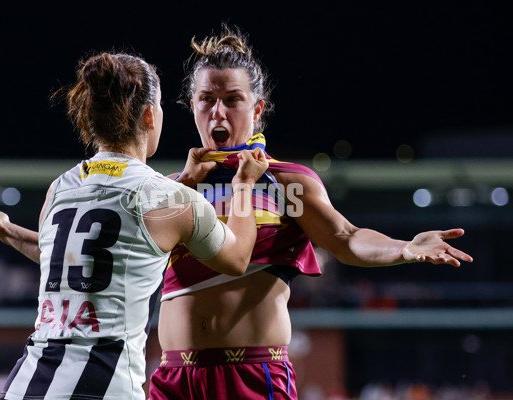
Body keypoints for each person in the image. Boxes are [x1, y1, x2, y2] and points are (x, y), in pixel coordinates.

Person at [146, 24, 474, 400]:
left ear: (257, 109)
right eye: (207, 99)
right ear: (192, 107)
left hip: (252, 376)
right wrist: (183, 185)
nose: (218, 111)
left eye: (232, 99)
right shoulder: (171, 188)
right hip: (174, 377)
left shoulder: (285, 182)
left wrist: (405, 247)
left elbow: (345, 238)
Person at [0, 50, 269, 400]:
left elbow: (69, 257)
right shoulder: (169, 198)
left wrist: (6, 230)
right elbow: (236, 259)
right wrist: (243, 185)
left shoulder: (61, 187)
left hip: (28, 383)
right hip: (102, 386)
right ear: (149, 116)